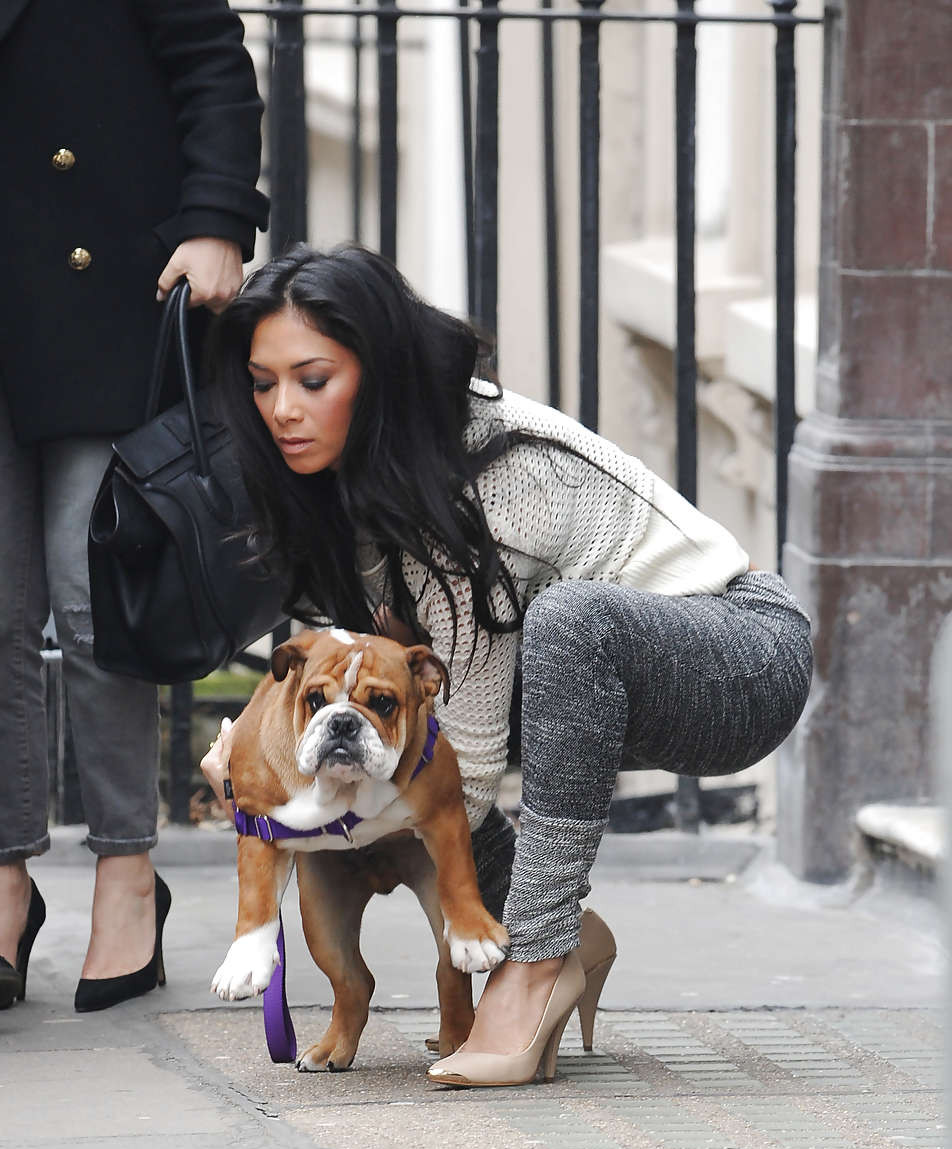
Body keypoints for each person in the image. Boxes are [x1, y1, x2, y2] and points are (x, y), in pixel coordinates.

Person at [203, 243, 813, 1087]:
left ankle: (538, 963)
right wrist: (259, 766)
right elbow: (344, 682)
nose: (282, 410)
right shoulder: (347, 481)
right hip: (581, 675)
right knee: (416, 723)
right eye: (263, 385)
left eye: (313, 380)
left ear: (377, 375)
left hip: (740, 656)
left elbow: (469, 777)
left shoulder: (486, 480)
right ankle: (559, 935)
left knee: (552, 639)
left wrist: (309, 811)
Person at [0, 0, 269, 1013]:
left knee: (93, 590)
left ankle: (126, 867)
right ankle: (6, 877)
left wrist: (214, 219)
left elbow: (209, 60)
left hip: (105, 290)